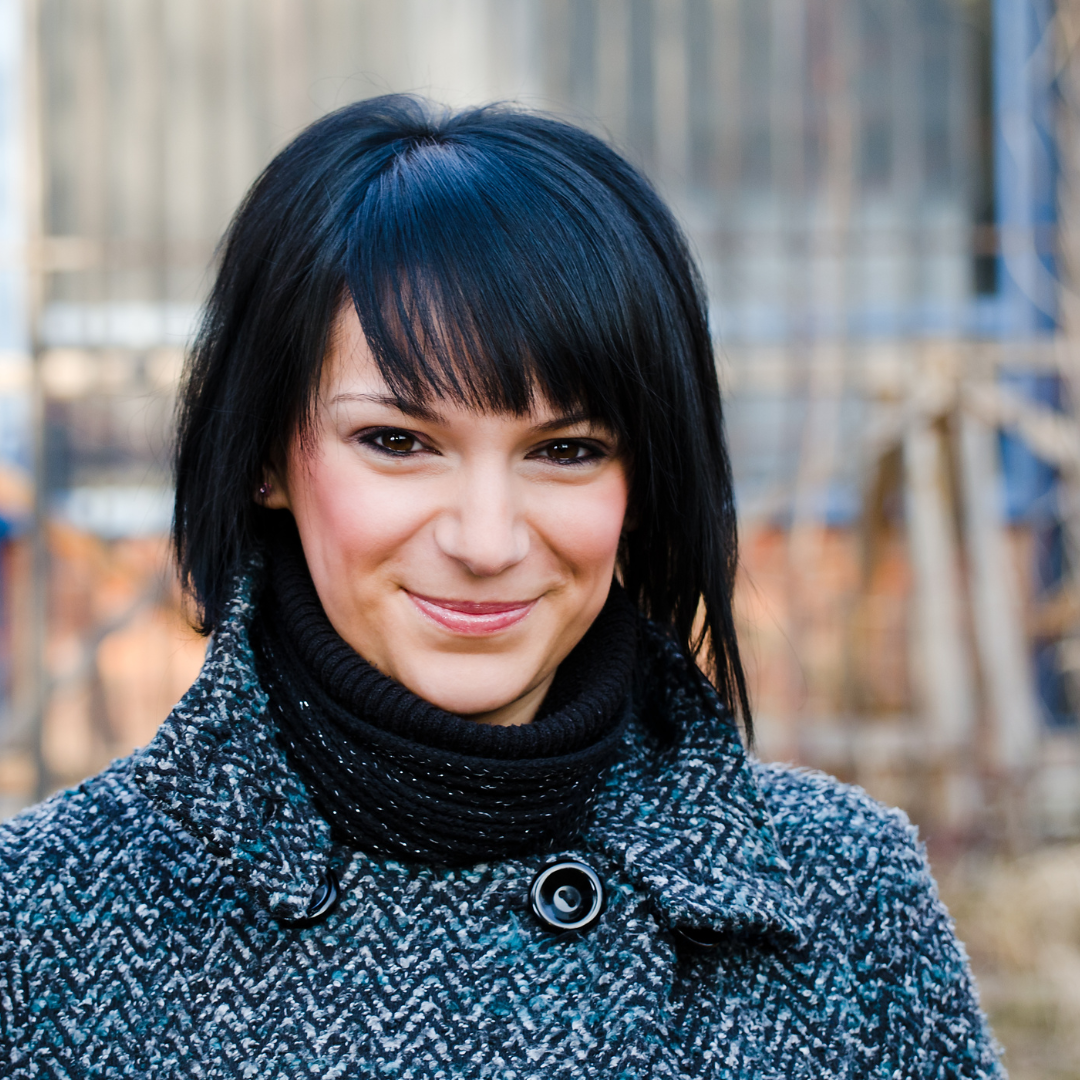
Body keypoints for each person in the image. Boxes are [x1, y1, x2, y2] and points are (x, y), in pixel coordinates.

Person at [0, 96, 1001, 1079]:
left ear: (643, 482)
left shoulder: (846, 895)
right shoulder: (44, 924)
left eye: (566, 450)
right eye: (397, 442)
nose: (486, 541)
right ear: (266, 455)